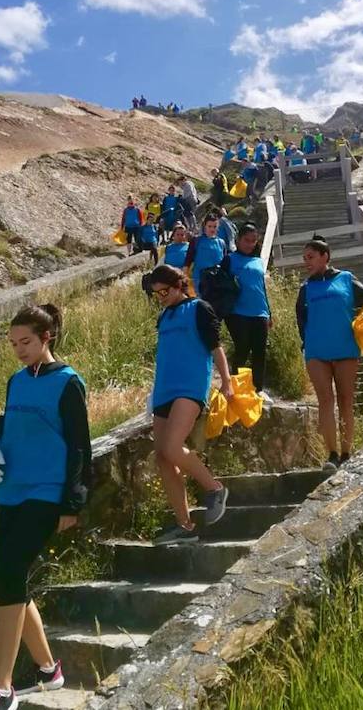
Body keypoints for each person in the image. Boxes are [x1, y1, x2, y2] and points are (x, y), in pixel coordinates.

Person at [0, 304, 90, 709]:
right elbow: (7, 423)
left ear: (48, 337)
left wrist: (72, 501)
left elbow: (79, 445)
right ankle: (48, 670)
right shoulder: (15, 380)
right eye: (13, 344)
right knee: (9, 579)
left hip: (46, 493)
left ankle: (2, 686)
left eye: (25, 342)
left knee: (9, 574)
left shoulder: (68, 382)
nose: (19, 350)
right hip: (10, 492)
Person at [146, 265, 232, 544]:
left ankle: (215, 488)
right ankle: (184, 525)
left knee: (172, 446)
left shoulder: (199, 308)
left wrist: (226, 381)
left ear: (179, 284)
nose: (161, 296)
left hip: (190, 386)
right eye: (157, 293)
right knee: (162, 456)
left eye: (165, 290)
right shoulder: (164, 317)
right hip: (163, 391)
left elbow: (215, 346)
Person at [296, 236, 363, 471]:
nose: (307, 263)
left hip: (345, 348)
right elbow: (301, 319)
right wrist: (307, 342)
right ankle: (331, 454)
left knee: (345, 400)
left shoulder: (346, 279)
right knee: (325, 401)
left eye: (311, 257)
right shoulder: (305, 288)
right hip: (316, 351)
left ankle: (346, 452)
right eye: (304, 259)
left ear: (325, 256)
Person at [224, 223, 272, 404]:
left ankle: (259, 389)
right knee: (242, 349)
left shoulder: (258, 261)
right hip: (238, 312)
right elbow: (221, 285)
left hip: (260, 312)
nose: (250, 244)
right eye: (247, 240)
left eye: (253, 241)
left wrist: (269, 313)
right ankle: (236, 389)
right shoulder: (229, 259)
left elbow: (262, 288)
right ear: (238, 239)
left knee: (260, 352)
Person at [185, 213, 227, 294]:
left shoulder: (221, 243)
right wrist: (184, 276)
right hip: (200, 280)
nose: (212, 229)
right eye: (209, 226)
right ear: (205, 226)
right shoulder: (196, 241)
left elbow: (224, 263)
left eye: (215, 227)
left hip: (216, 280)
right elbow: (188, 260)